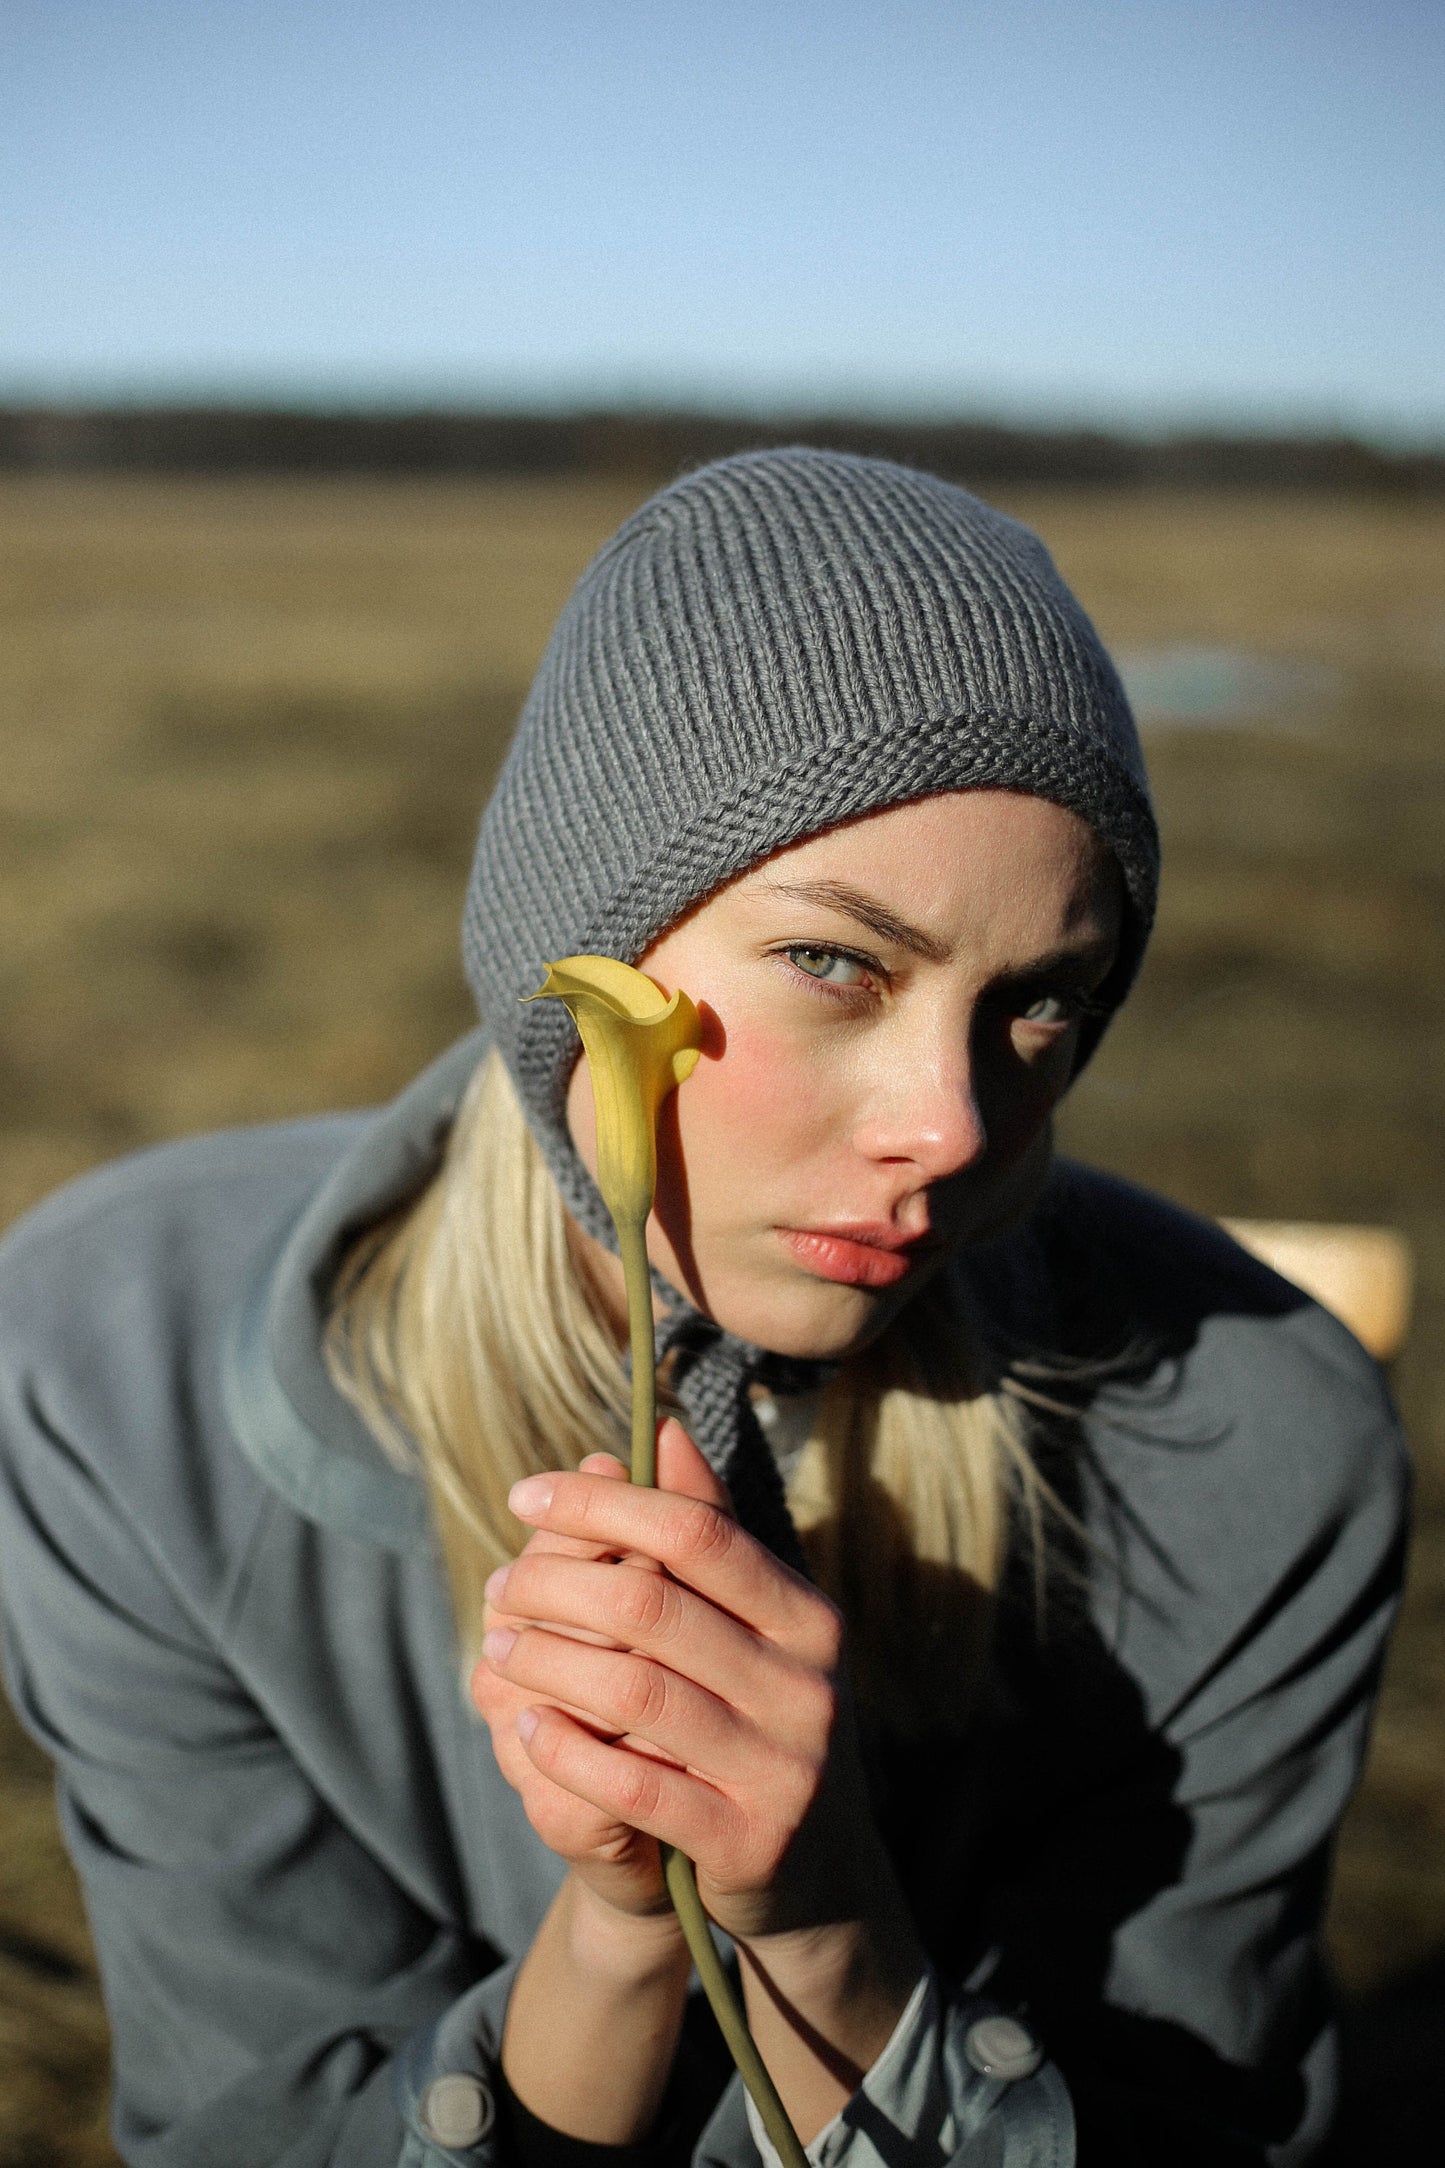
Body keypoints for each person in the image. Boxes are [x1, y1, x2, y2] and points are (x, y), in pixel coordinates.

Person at [0, 449, 1407, 2168]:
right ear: (580, 955)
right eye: (836, 962)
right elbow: (248, 2117)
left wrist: (825, 1927)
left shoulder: (1263, 1443)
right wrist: (614, 1947)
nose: (951, 1127)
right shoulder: (111, 1366)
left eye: (1041, 1003)